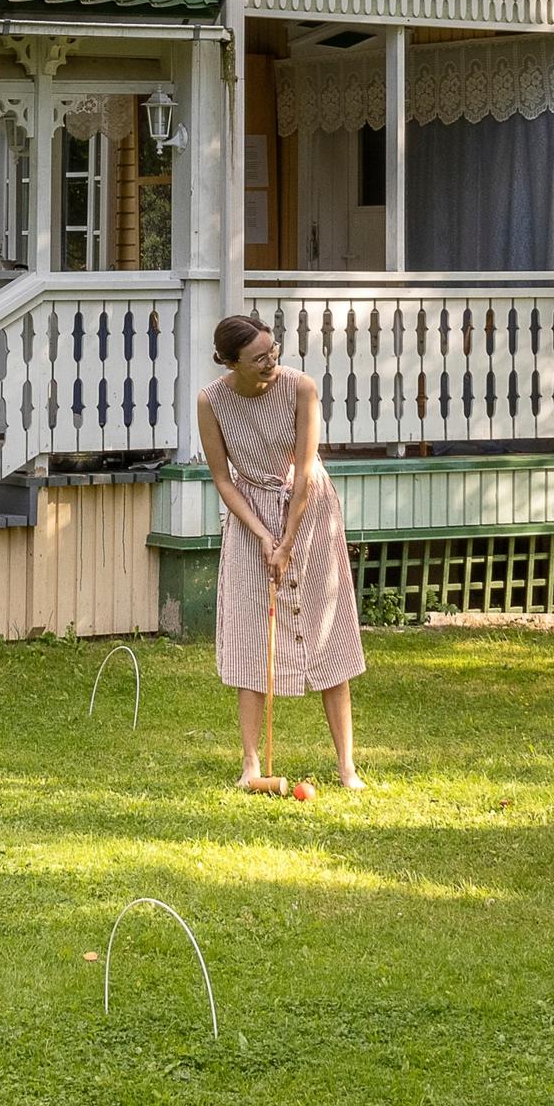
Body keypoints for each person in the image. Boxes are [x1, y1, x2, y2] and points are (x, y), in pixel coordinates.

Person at [198, 314, 366, 791]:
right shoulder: (211, 401)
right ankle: (252, 765)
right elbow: (224, 481)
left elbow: (307, 471)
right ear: (231, 363)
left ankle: (347, 767)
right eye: (259, 358)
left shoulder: (301, 389)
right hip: (250, 520)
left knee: (327, 631)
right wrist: (262, 536)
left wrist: (288, 540)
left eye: (273, 351)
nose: (271, 362)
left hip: (308, 512)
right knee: (252, 637)